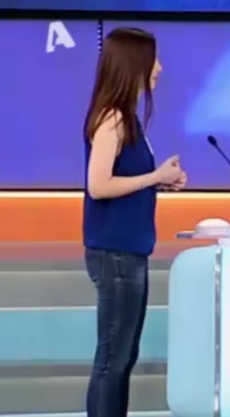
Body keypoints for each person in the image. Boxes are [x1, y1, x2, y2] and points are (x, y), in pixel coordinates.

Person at [82, 27, 187, 417]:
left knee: (123, 356)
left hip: (128, 250)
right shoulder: (112, 118)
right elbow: (99, 185)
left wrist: (160, 181)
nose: (159, 68)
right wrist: (154, 177)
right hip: (115, 252)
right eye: (153, 60)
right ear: (134, 64)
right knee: (113, 358)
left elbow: (123, 179)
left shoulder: (128, 120)